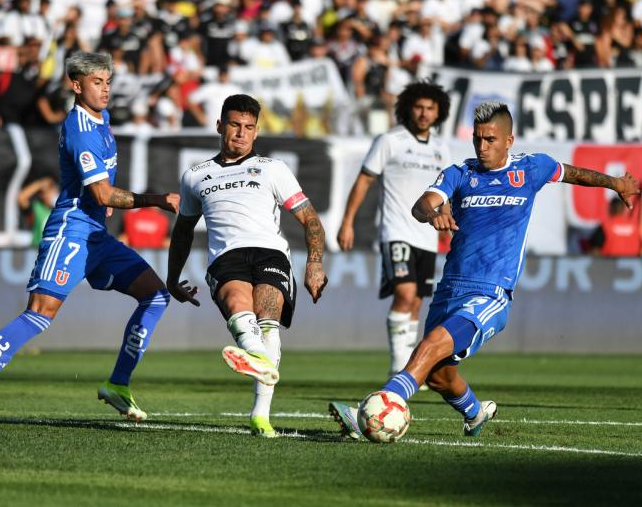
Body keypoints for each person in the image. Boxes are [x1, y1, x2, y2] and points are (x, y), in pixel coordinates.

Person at [329, 101, 640, 440]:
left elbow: (575, 174)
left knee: (432, 344)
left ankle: (381, 404)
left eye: (490, 139)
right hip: (450, 288)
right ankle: (476, 413)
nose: (482, 146)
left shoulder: (533, 168)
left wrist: (615, 184)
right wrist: (433, 214)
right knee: (438, 377)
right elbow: (422, 204)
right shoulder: (460, 173)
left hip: (491, 292)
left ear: (509, 140)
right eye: (478, 139)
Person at [0, 52, 180, 426]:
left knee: (155, 295)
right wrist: (156, 200)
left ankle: (118, 383)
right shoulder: (80, 129)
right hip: (70, 231)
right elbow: (103, 195)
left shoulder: (101, 119)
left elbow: (98, 195)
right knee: (40, 313)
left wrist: (101, 204)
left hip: (96, 235)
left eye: (107, 82)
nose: (105, 90)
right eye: (96, 83)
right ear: (76, 85)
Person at [167, 94, 328, 438]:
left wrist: (314, 263)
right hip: (226, 257)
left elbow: (310, 219)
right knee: (241, 309)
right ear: (219, 126)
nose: (241, 133)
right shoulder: (196, 175)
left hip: (271, 253)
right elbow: (182, 231)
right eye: (234, 125)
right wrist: (171, 278)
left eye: (249, 128)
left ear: (256, 132)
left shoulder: (273, 169)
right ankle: (259, 360)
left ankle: (260, 414)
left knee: (267, 321)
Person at [336, 81, 451, 382]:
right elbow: (364, 181)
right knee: (405, 292)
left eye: (430, 108)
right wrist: (347, 222)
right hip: (395, 229)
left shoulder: (442, 148)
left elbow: (446, 193)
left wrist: (448, 223)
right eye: (419, 107)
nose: (424, 114)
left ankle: (409, 370)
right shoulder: (390, 140)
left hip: (426, 235)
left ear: (439, 112)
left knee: (415, 303)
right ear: (408, 108)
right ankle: (399, 371)